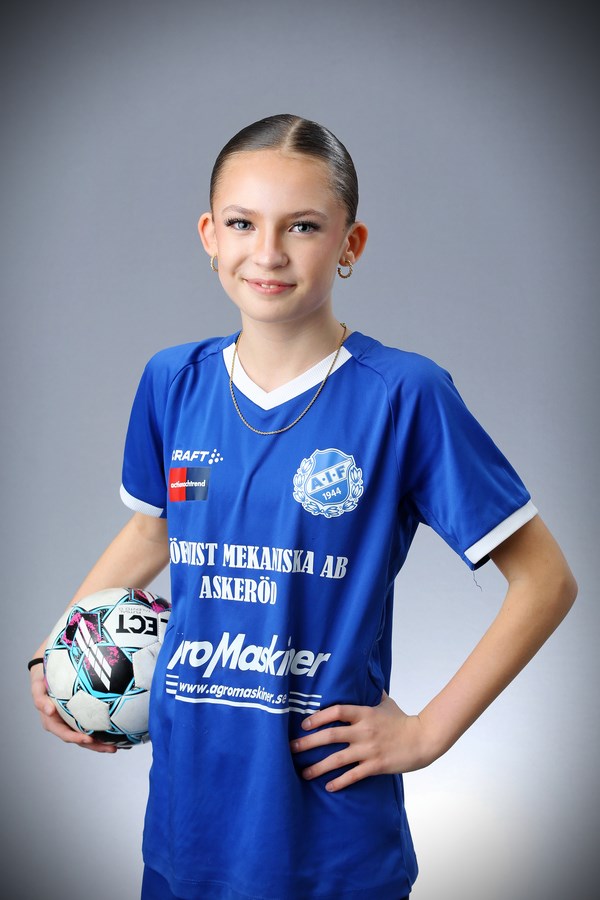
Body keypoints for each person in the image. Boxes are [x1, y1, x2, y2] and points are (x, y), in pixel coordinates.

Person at [30, 114, 577, 900]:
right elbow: (152, 531)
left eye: (304, 226)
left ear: (350, 244)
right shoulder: (173, 382)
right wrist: (61, 652)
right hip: (188, 819)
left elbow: (546, 581)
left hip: (329, 836)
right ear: (209, 235)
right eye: (242, 223)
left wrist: (428, 732)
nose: (268, 252)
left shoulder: (403, 395)